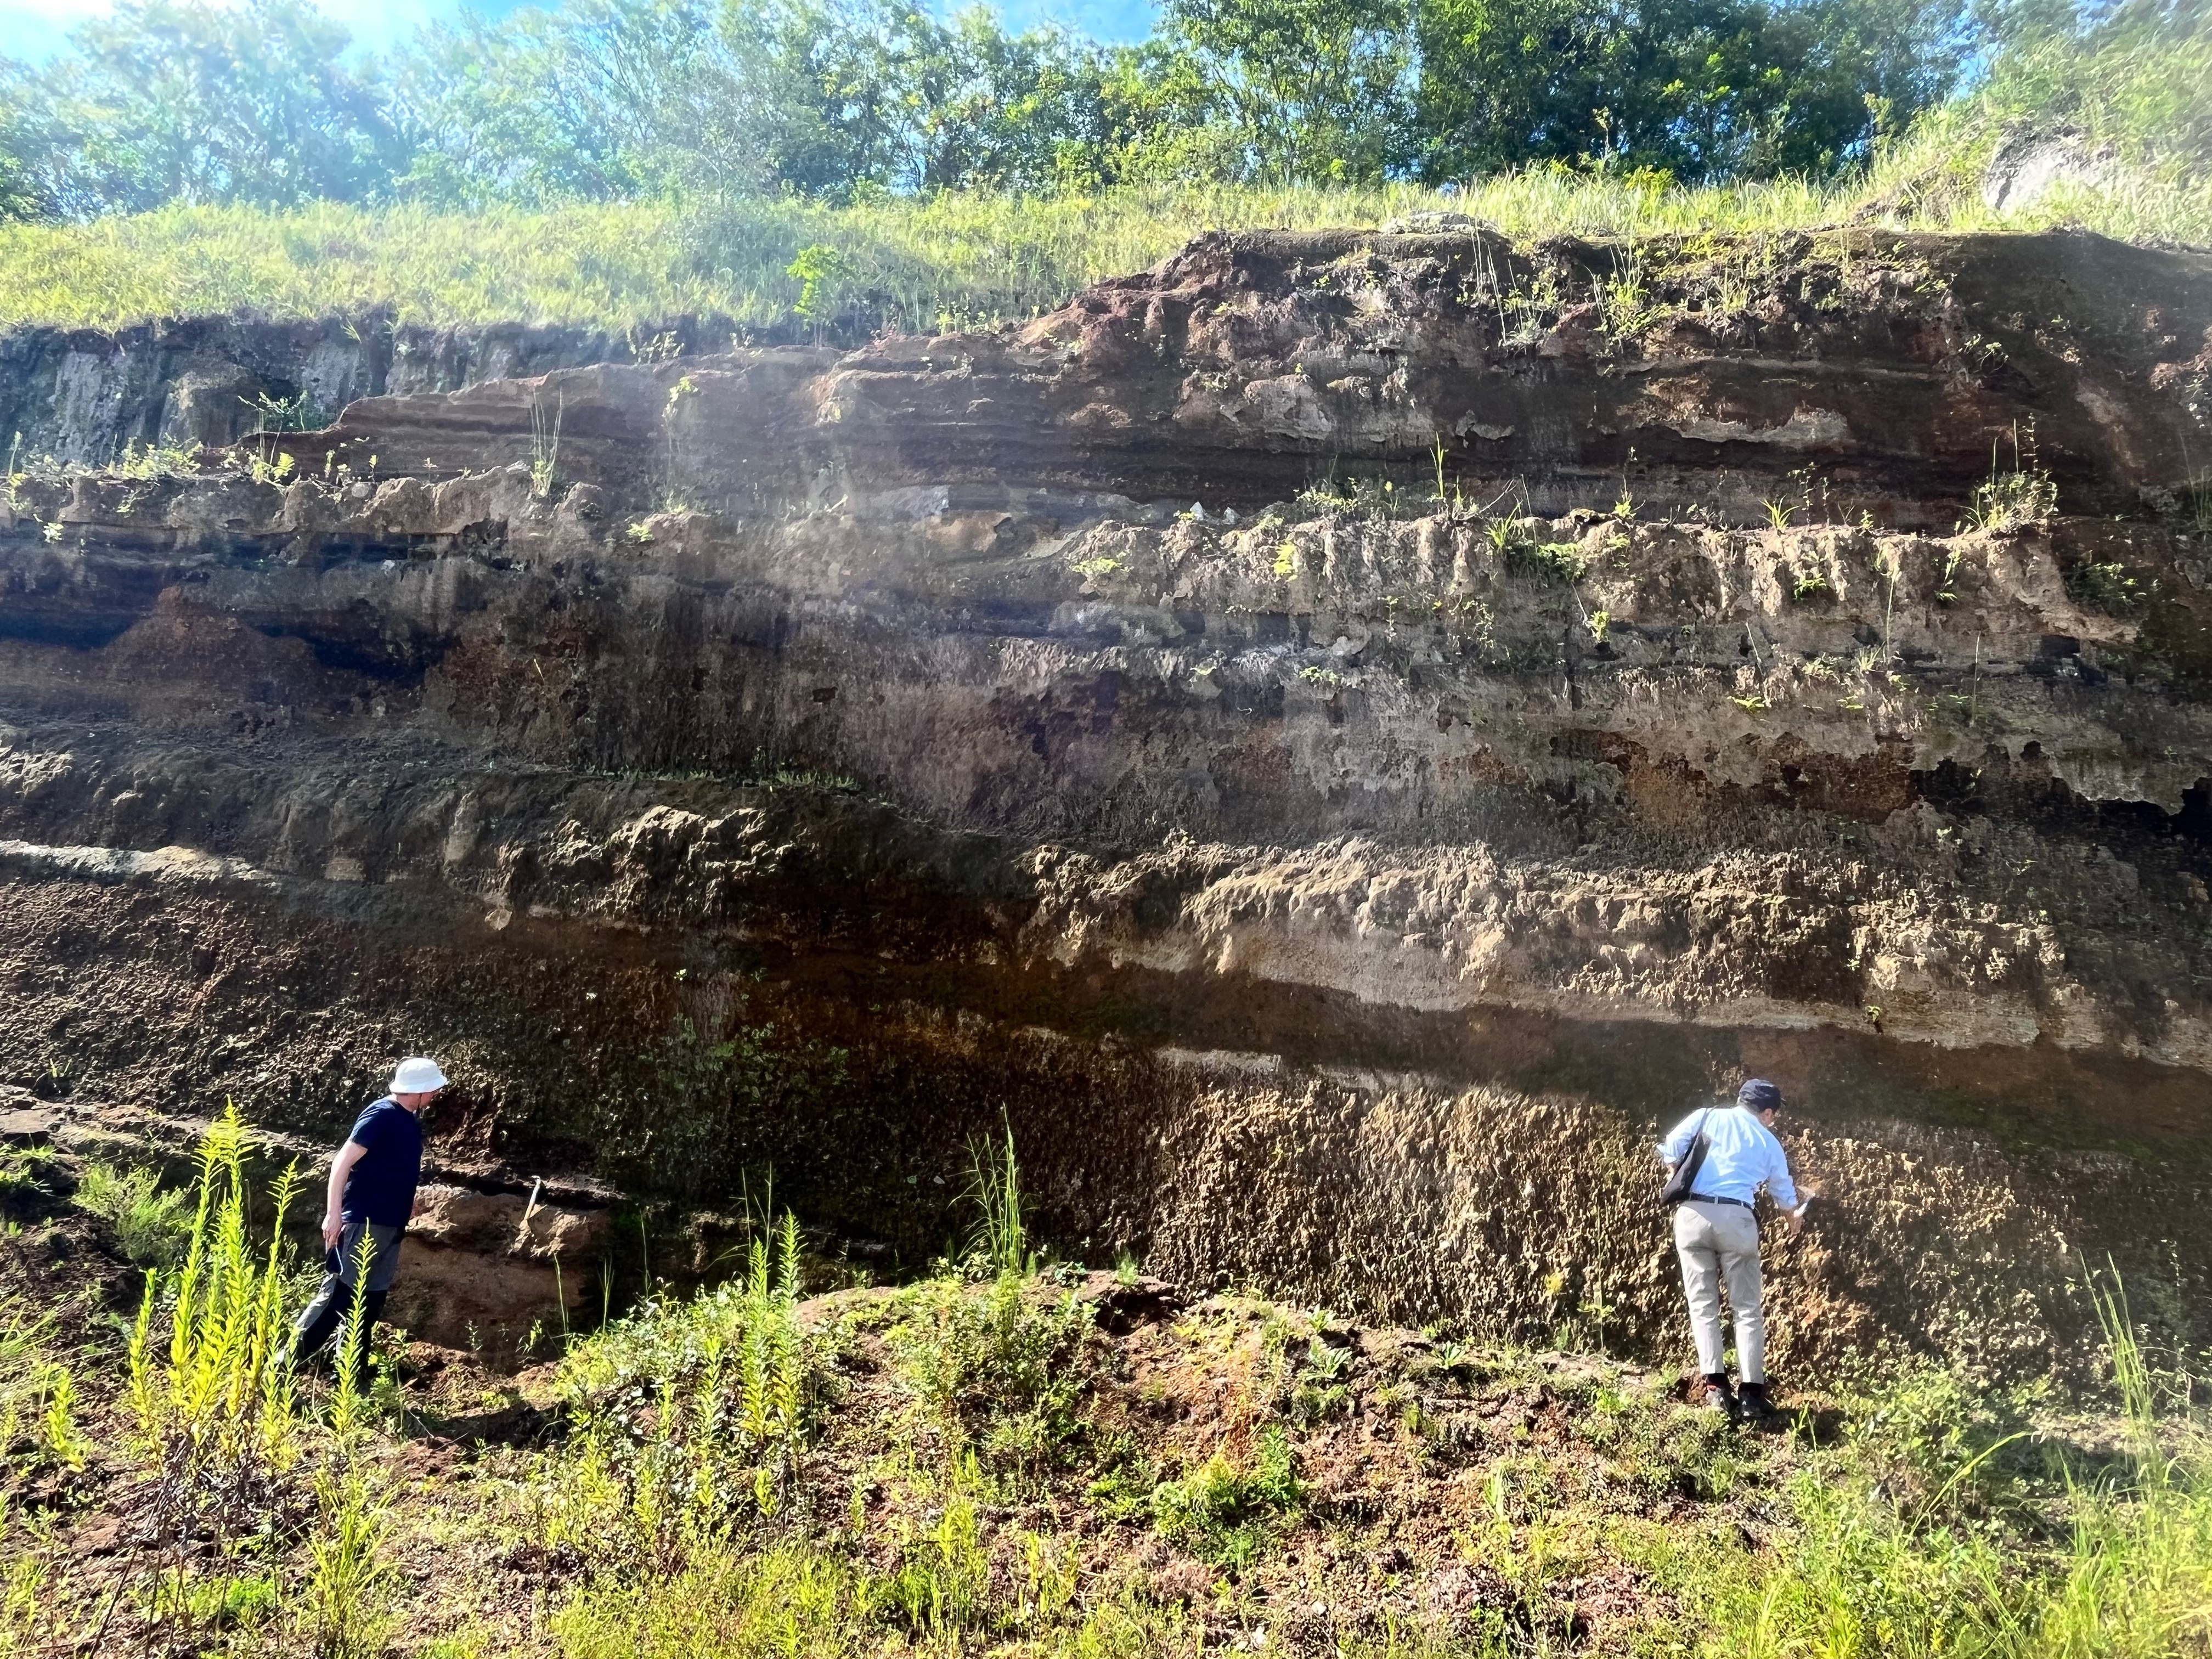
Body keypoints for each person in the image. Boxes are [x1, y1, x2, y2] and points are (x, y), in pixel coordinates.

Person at [288, 1056, 447, 1381]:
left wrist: (406, 1203)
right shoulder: (381, 1114)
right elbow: (342, 1162)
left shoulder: (408, 1120)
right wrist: (334, 1215)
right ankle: (282, 1367)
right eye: (432, 1090)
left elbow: (391, 1169)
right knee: (338, 1296)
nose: (435, 1095)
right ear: (418, 1091)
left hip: (390, 1225)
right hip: (363, 1222)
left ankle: (349, 1374)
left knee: (369, 1302)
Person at [1658, 1077, 1809, 1419]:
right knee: (1747, 1310)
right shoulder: (1769, 1142)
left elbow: (1671, 1148)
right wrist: (1792, 1219)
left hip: (1693, 1215)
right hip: (1737, 1220)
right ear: (1767, 1113)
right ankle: (1752, 1395)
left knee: (1702, 1305)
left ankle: (1716, 1389)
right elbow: (1783, 1193)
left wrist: (1678, 1174)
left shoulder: (1706, 1116)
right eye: (1774, 1114)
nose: (1773, 1120)